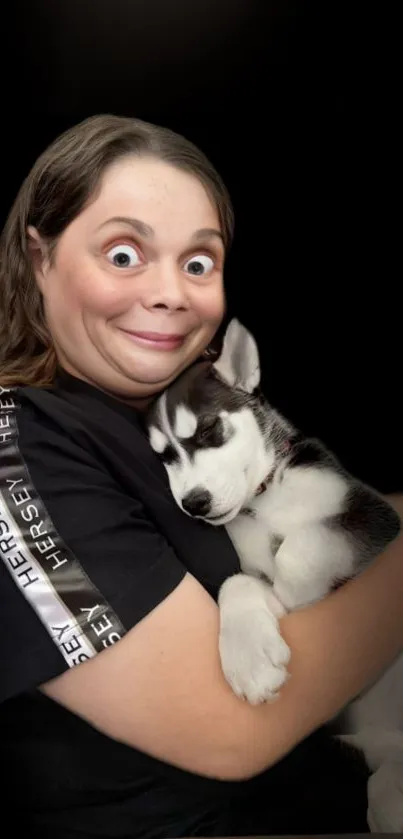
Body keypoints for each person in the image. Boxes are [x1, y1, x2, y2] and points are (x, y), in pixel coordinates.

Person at [0, 114, 402, 839]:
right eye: (124, 253)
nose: (169, 293)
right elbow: (226, 729)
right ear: (39, 258)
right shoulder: (17, 448)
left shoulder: (158, 410)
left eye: (198, 262)